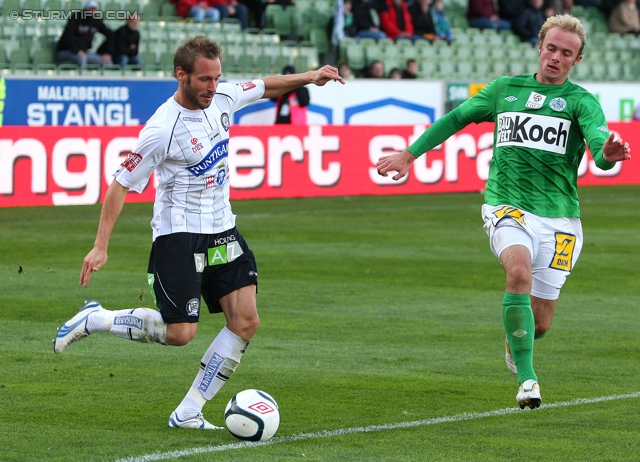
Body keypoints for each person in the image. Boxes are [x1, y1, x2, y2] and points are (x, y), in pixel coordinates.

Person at [53, 35, 344, 430]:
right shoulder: (161, 129)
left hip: (223, 228)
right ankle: (97, 318)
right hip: (179, 235)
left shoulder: (223, 98)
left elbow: (264, 85)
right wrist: (100, 246)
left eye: (217, 77)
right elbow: (120, 184)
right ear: (181, 75)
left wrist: (311, 76)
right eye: (205, 79)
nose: (212, 86)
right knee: (180, 334)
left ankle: (188, 410)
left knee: (245, 321)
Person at [376, 14, 631, 409]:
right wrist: (410, 154)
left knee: (540, 322)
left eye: (567, 53)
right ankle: (528, 381)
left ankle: (517, 341)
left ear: (576, 60)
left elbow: (599, 146)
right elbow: (455, 118)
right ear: (540, 46)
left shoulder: (582, 102)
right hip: (506, 205)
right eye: (551, 48)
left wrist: (608, 156)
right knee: (518, 271)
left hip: (561, 218)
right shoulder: (504, 89)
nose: (556, 58)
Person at [55, 0, 113, 67]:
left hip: (84, 53)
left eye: (94, 9)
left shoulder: (96, 21)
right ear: (85, 9)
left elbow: (110, 34)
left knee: (107, 62)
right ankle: (83, 76)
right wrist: (77, 50)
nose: (92, 11)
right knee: (82, 58)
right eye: (90, 9)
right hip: (66, 51)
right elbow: (68, 36)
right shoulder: (76, 18)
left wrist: (108, 53)